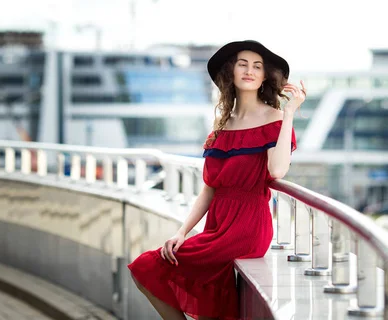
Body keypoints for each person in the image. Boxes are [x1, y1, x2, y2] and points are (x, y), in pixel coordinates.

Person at [128, 40, 306, 320]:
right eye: (243, 64)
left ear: (263, 77)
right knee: (148, 268)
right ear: (231, 72)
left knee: (149, 266)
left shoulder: (275, 118)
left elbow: (277, 171)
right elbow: (210, 189)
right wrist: (182, 232)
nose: (250, 70)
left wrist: (289, 115)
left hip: (247, 225)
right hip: (217, 223)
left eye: (257, 66)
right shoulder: (222, 126)